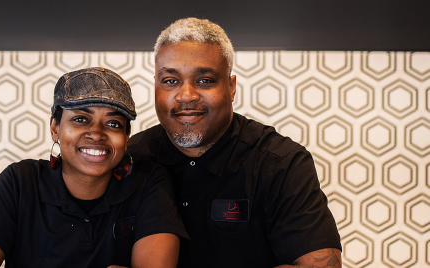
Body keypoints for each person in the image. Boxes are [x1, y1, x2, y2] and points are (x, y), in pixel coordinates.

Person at [128, 18, 342, 267]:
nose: (186, 95)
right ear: (156, 86)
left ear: (231, 87)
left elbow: (321, 265)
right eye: (171, 81)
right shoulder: (131, 159)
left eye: (205, 80)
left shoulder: (281, 162)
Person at [0, 67, 188, 268]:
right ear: (55, 127)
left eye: (113, 123)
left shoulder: (148, 183)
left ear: (126, 138)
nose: (96, 134)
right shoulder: (20, 182)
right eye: (80, 119)